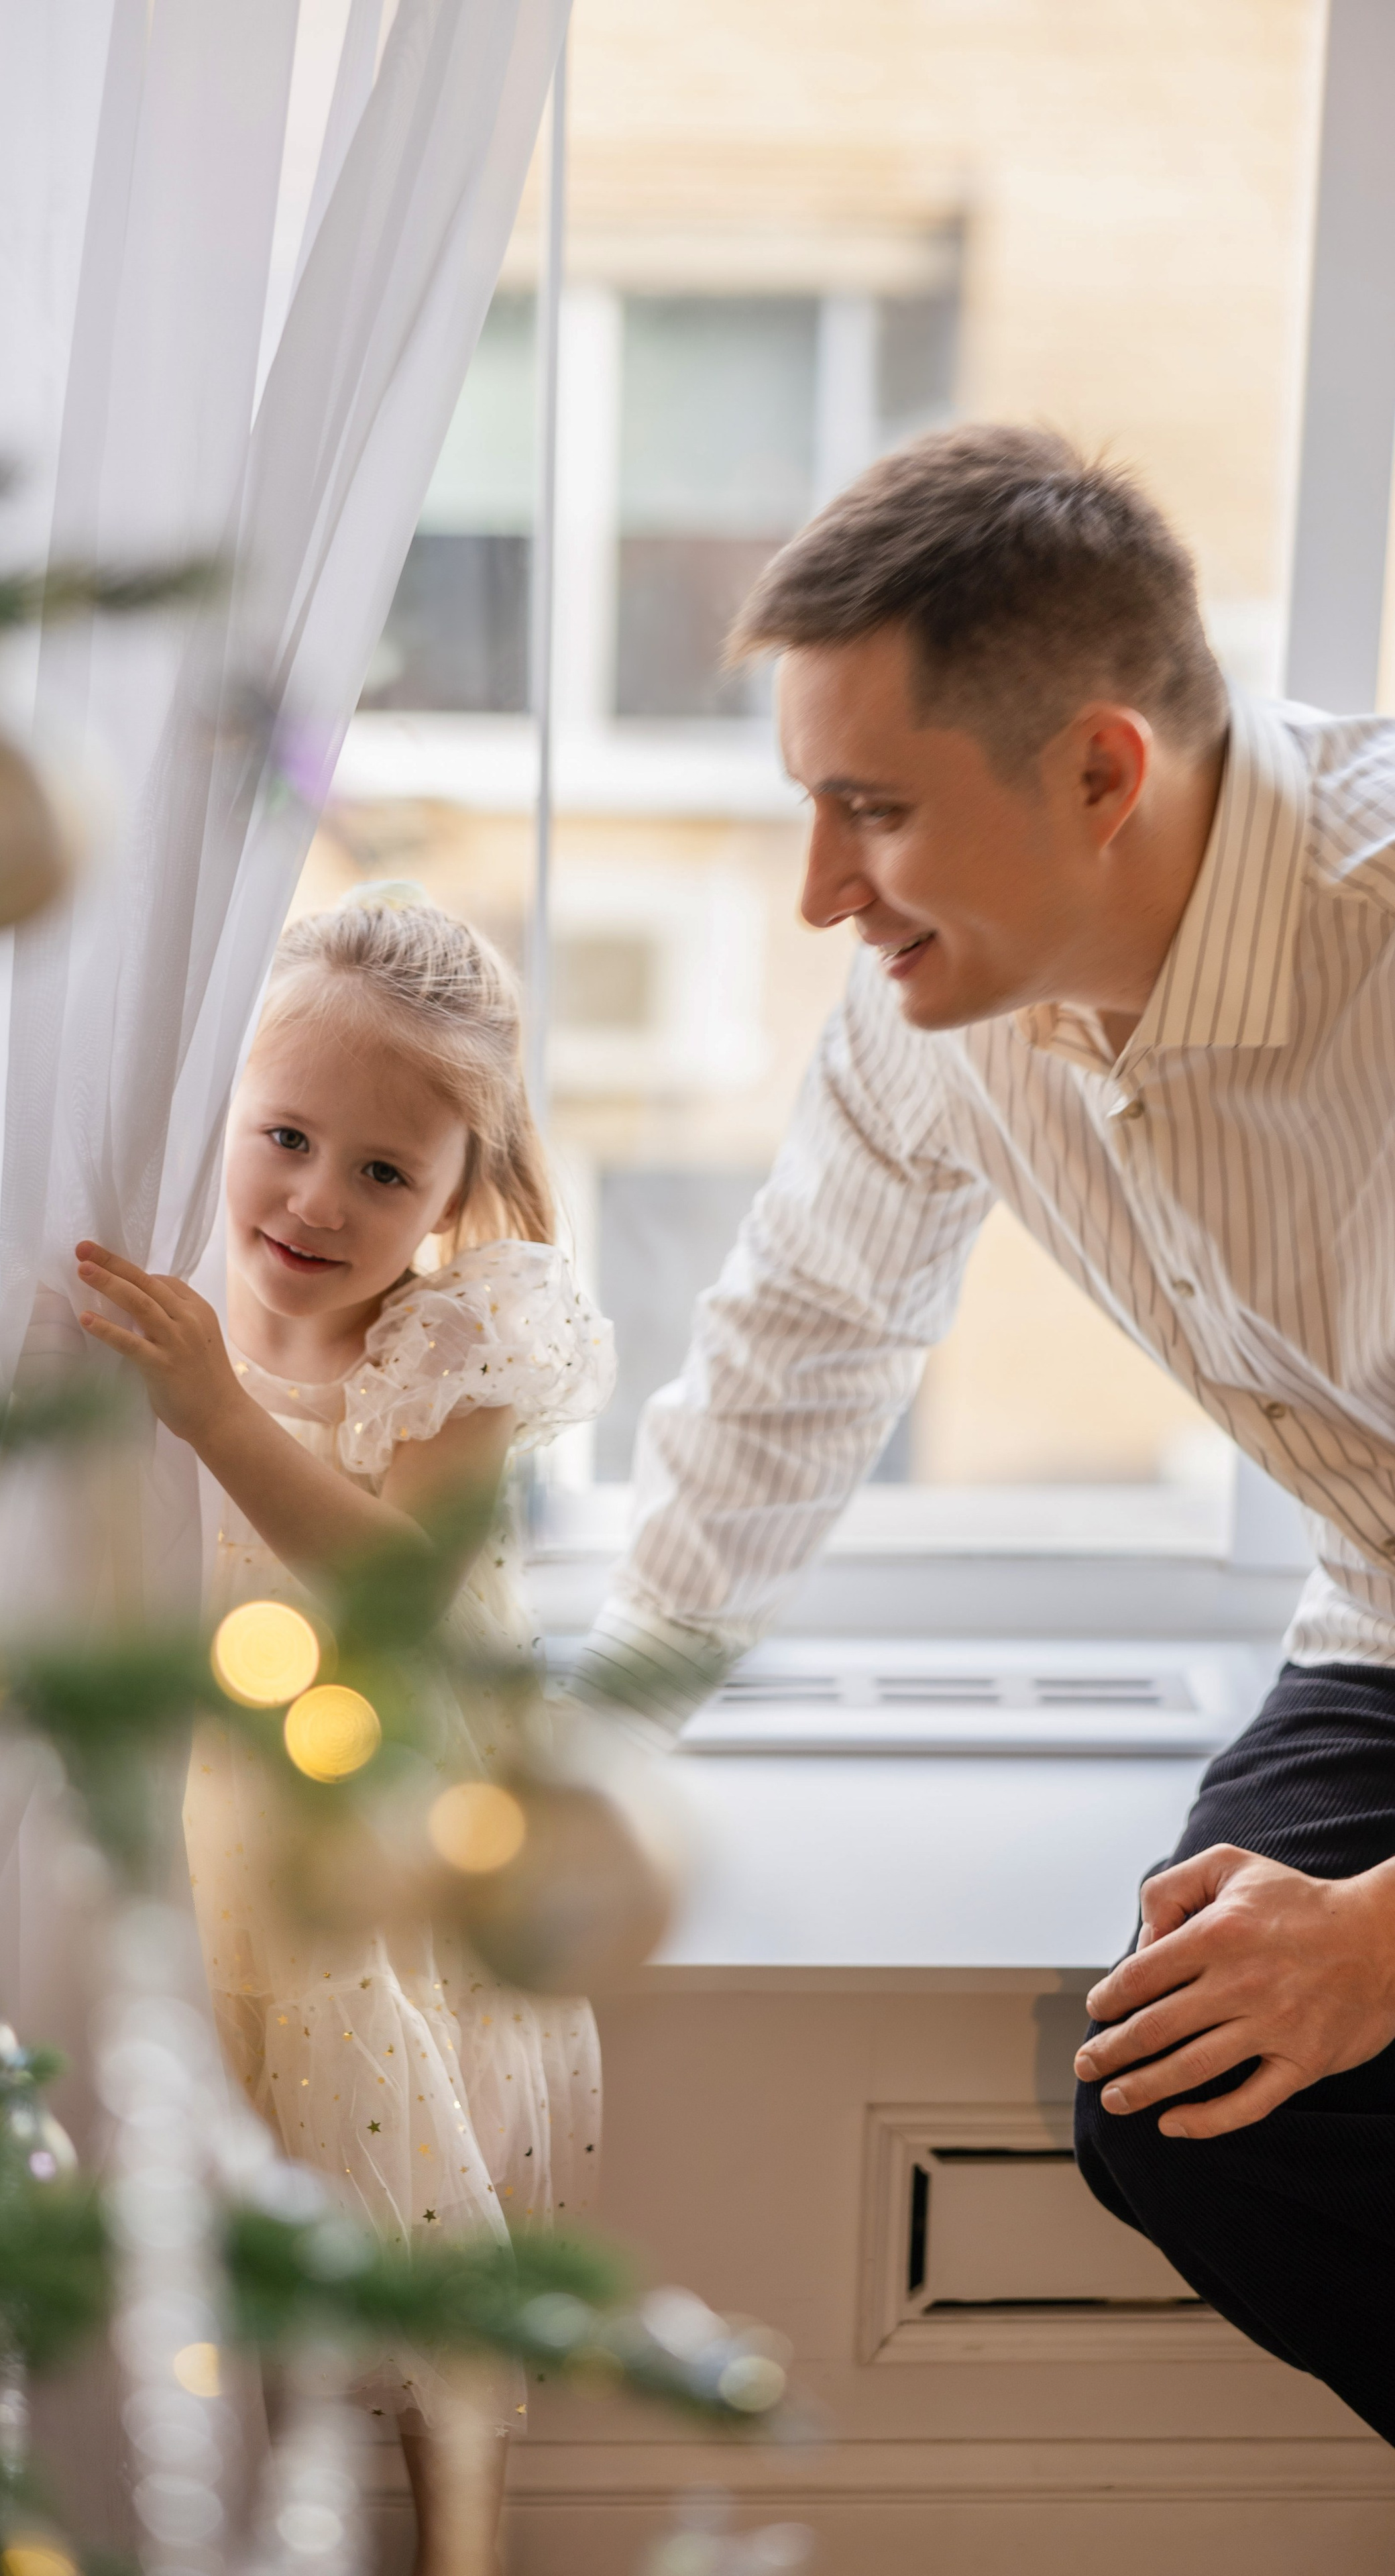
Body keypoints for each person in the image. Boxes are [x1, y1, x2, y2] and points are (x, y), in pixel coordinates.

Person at [571, 422, 1395, 2443]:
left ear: (1102, 772)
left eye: (872, 812)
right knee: (1188, 2103)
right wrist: (588, 1750)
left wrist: (1387, 1941)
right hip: (1384, 1617)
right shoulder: (933, 1015)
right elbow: (801, 1345)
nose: (816, 894)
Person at [73, 883, 614, 2553]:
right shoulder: (173, 1302)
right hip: (193, 1842)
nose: (316, 1199)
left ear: (460, 1192)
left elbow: (396, 1592)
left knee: (417, 2276)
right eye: (286, 1138)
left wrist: (217, 1415)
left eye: (384, 1172)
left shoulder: (455, 1347)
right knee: (223, 2276)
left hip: (366, 1866)